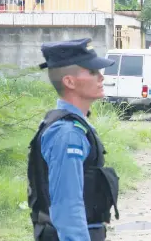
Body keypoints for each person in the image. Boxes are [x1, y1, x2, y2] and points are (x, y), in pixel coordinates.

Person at [27, 38, 120, 241]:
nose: (101, 78)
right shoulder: (67, 134)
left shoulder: (75, 125)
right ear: (69, 81)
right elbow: (68, 209)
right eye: (93, 72)